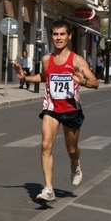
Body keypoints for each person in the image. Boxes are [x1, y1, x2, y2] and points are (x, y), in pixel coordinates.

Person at [12, 20, 99, 202]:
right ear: (51, 36)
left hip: (71, 109)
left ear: (69, 36)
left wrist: (81, 81)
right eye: (55, 34)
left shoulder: (77, 60)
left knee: (71, 148)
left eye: (62, 34)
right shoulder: (46, 59)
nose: (58, 38)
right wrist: (25, 78)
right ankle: (49, 188)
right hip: (51, 108)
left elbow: (95, 83)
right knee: (45, 145)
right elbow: (44, 77)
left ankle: (75, 164)